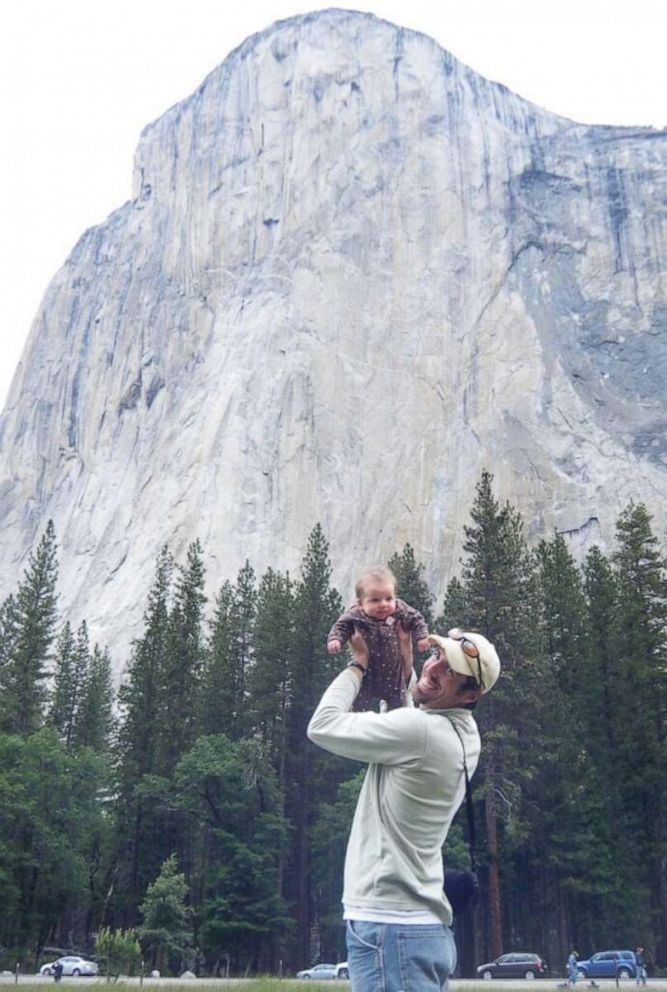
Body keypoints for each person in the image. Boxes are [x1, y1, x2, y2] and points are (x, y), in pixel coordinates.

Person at [308, 624, 501, 992]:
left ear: (471, 692)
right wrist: (406, 669)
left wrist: (359, 664)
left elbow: (322, 725)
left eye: (449, 670)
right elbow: (415, 713)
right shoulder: (465, 735)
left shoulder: (419, 732)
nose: (433, 668)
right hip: (421, 930)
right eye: (436, 656)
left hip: (389, 930)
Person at [327, 566, 430, 711]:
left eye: (389, 599)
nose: (383, 604)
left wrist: (422, 637)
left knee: (399, 711)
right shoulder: (356, 615)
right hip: (367, 675)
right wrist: (335, 639)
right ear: (361, 604)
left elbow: (417, 619)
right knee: (358, 709)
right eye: (375, 600)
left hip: (394, 676)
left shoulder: (400, 611)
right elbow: (341, 626)